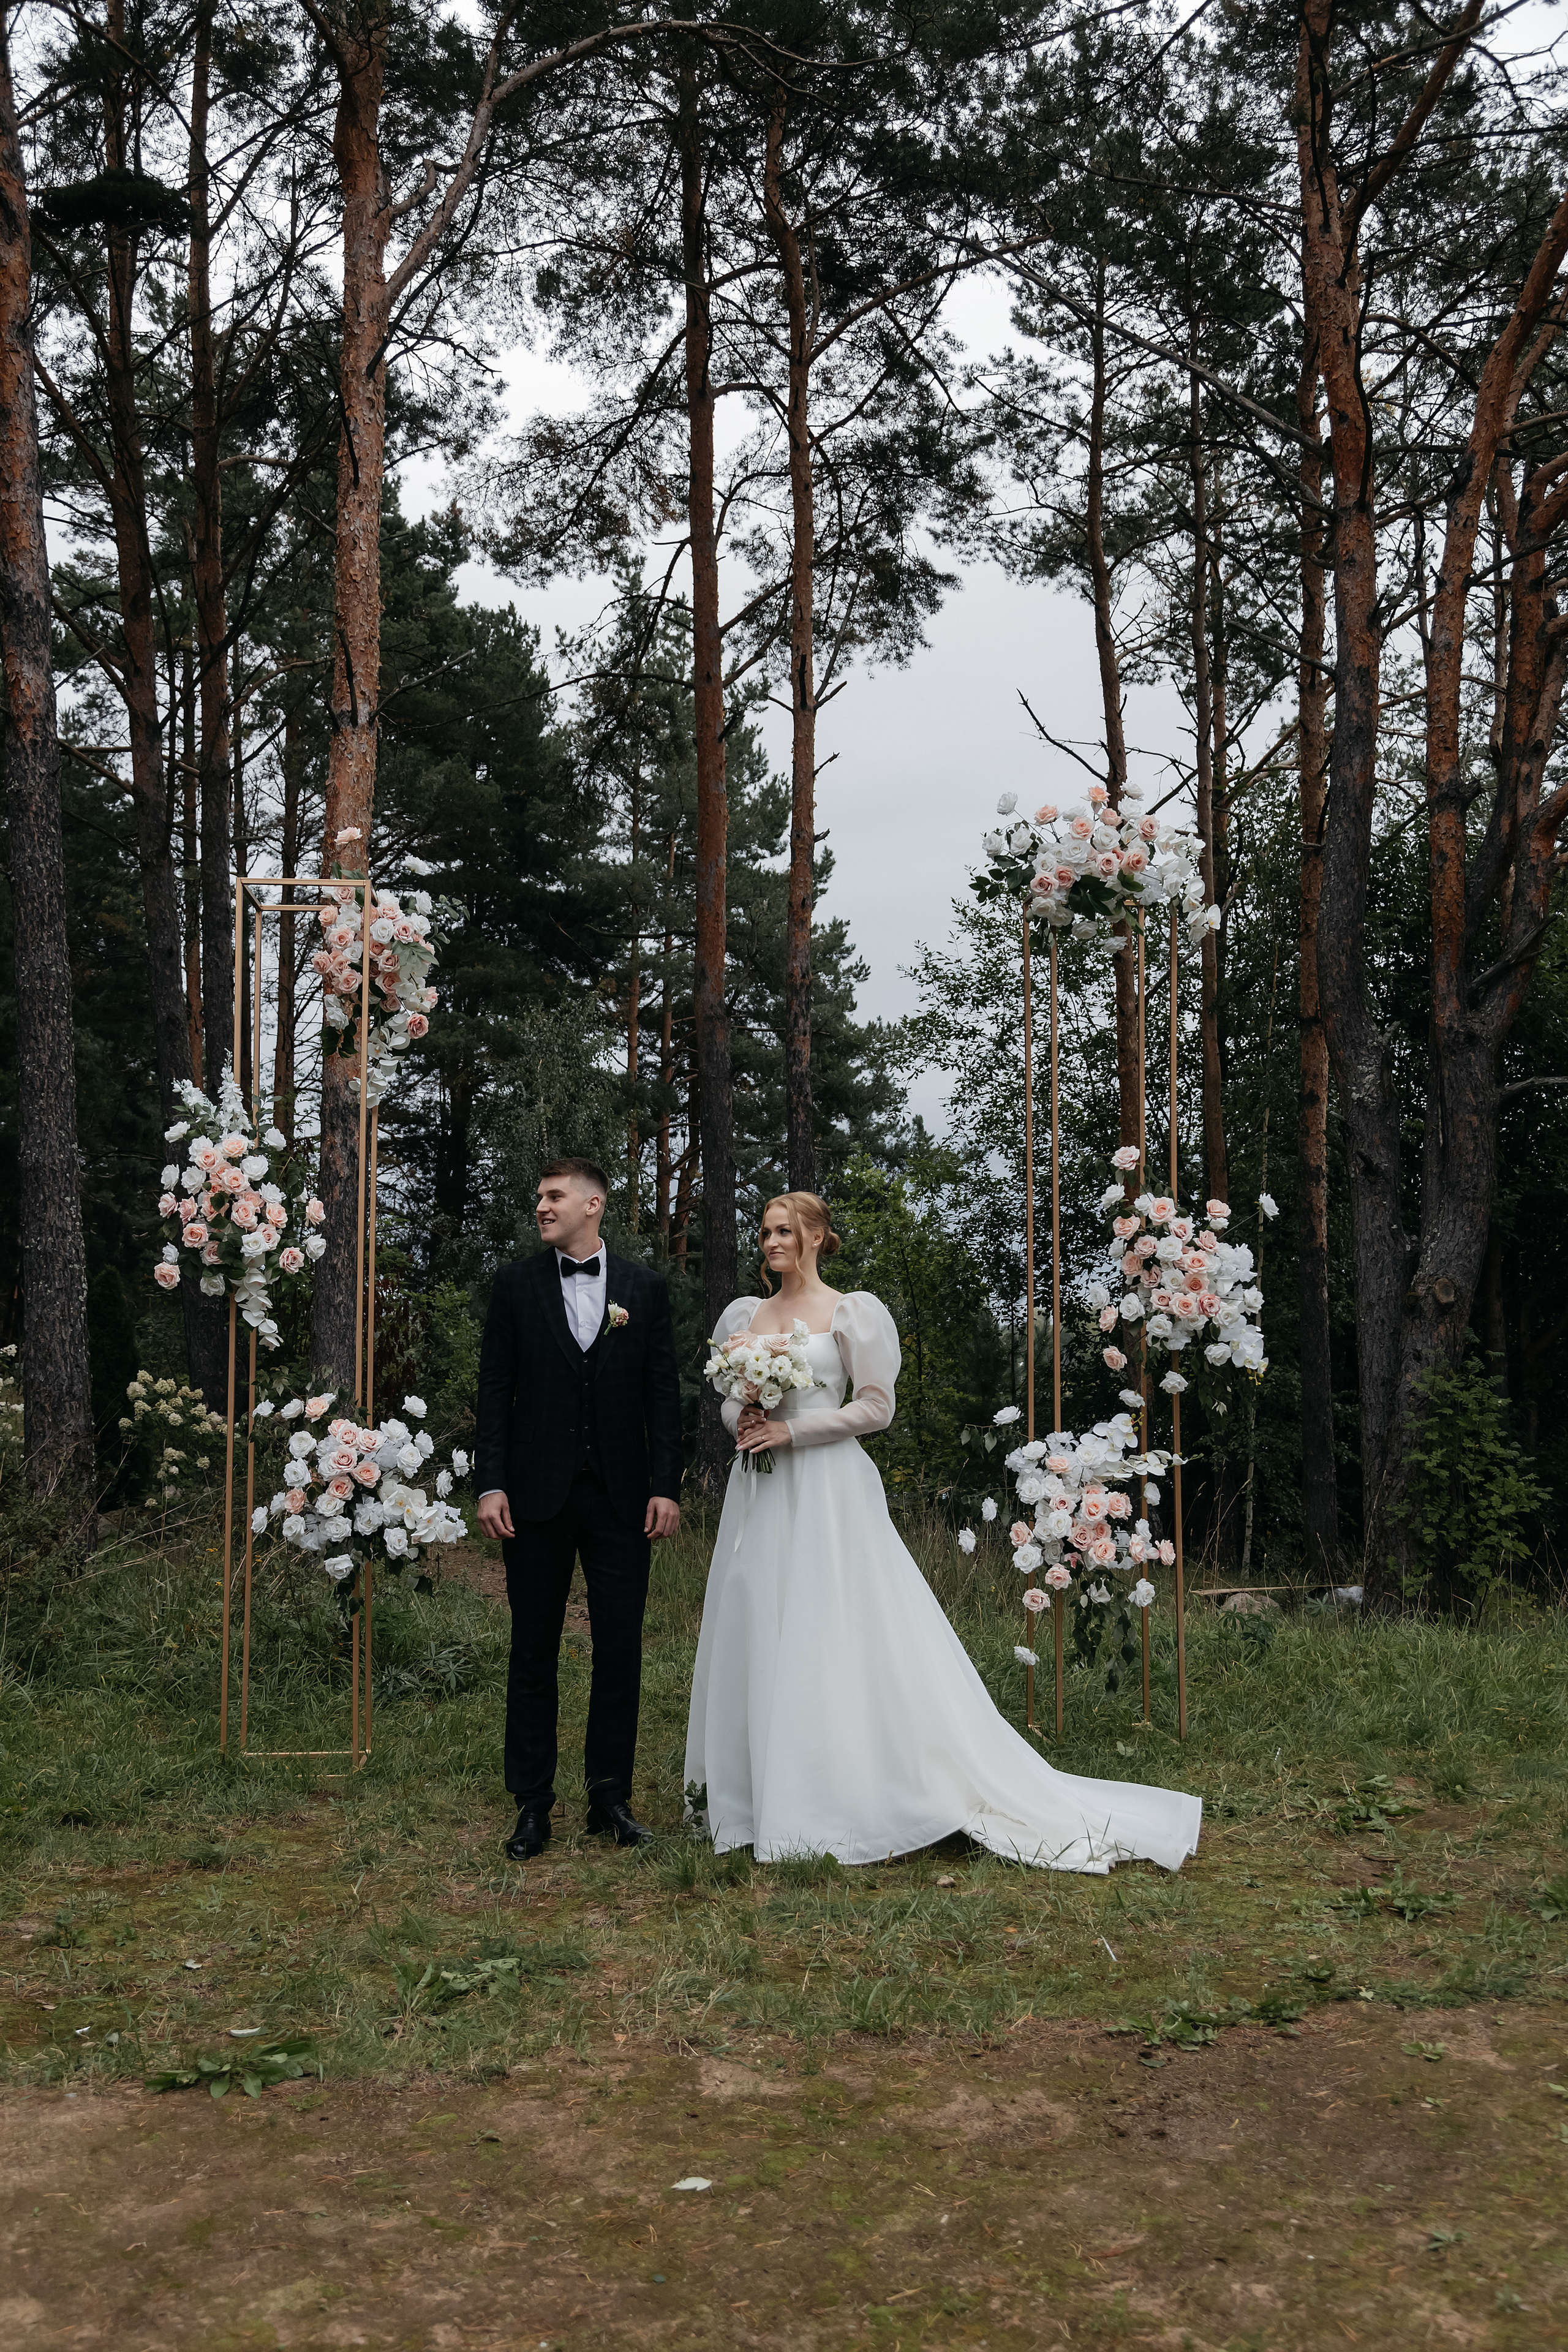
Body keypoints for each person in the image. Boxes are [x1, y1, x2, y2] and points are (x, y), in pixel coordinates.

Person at [685, 1191, 1202, 1873]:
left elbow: (875, 1407)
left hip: (828, 1490)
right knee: (756, 1616)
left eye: (783, 1231)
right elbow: (727, 1396)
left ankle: (843, 1792)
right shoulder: (744, 1317)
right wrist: (744, 1421)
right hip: (761, 1489)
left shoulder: (851, 1311)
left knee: (830, 1623)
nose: (769, 1242)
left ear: (814, 1237)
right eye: (764, 1232)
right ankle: (754, 1794)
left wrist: (793, 1428)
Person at [477, 1158, 682, 1860]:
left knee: (618, 1650)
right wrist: (490, 1482)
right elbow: (495, 1391)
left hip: (624, 1498)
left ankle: (609, 1799)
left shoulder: (646, 1290)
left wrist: (665, 1485)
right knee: (532, 1650)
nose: (541, 1206)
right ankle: (532, 1805)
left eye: (554, 1196)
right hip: (532, 1497)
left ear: (592, 1205)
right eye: (539, 1196)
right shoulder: (514, 1285)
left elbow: (664, 1394)